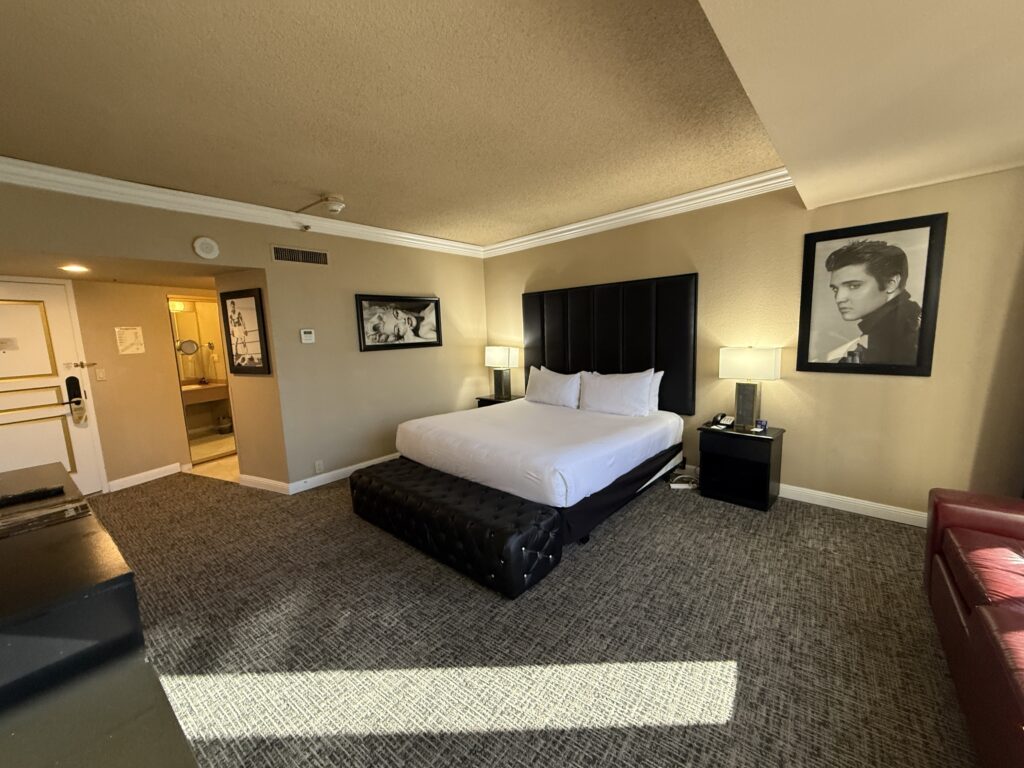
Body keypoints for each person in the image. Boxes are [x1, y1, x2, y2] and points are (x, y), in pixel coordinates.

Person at [823, 239, 922, 364]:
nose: (839, 298)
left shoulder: (905, 336)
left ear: (891, 283)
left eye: (854, 286)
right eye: (835, 289)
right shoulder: (903, 324)